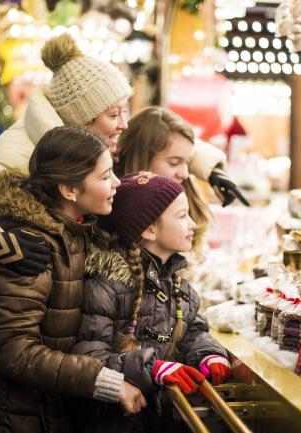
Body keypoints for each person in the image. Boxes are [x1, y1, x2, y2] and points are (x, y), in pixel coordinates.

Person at [0, 33, 237, 431]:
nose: (123, 123)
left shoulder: (95, 151)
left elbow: (153, 128)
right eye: (114, 114)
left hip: (40, 329)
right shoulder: (19, 154)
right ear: (82, 118)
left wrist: (210, 165)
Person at [0, 125, 148, 433]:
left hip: (44, 407)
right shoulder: (30, 246)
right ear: (69, 190)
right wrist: (107, 382)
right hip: (10, 415)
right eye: (104, 177)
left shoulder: (77, 230)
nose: (116, 183)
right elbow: (12, 351)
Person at [71, 171, 230, 432]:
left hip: (160, 418)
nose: (193, 224)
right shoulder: (108, 285)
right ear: (149, 229)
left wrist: (208, 354)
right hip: (114, 421)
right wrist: (152, 368)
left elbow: (193, 330)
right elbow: (89, 356)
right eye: (182, 216)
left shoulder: (180, 287)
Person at [116, 107, 248, 251]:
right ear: (142, 158)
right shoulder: (111, 205)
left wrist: (211, 166)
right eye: (174, 162)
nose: (185, 174)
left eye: (187, 162)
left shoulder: (186, 191)